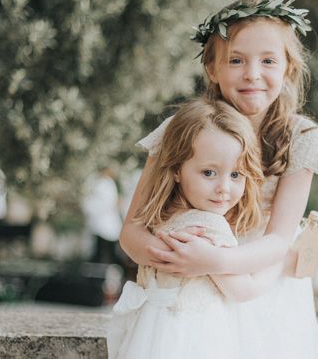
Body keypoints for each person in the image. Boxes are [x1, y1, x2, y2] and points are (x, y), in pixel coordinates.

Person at [120, 0, 318, 358]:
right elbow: (131, 230)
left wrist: (217, 261)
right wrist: (176, 258)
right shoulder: (182, 128)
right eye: (236, 60)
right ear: (212, 67)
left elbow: (277, 241)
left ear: (288, 67)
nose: (252, 74)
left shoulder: (299, 137)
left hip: (263, 291)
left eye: (268, 61)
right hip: (187, 295)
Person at [107, 98, 271, 359]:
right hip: (198, 339)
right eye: (209, 173)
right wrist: (278, 266)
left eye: (236, 175)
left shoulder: (160, 221)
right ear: (176, 170)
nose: (224, 188)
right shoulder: (210, 228)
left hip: (149, 333)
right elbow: (243, 291)